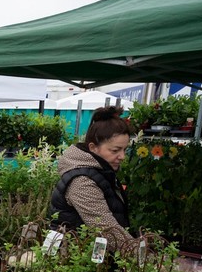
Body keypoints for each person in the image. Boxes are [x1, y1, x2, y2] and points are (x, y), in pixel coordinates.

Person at [48, 106, 136, 252]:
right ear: (93, 148)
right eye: (115, 150)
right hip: (75, 261)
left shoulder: (100, 172)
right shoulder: (82, 181)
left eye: (124, 149)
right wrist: (141, 256)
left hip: (91, 257)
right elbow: (105, 227)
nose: (122, 156)